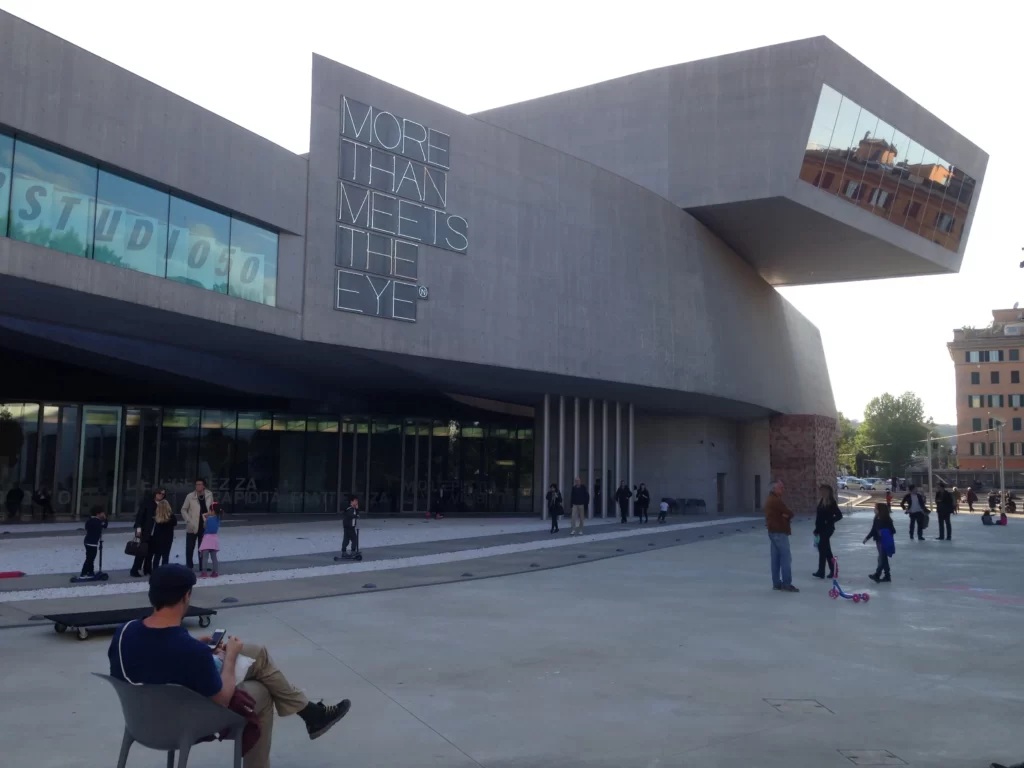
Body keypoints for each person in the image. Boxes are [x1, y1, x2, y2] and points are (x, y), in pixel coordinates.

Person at [108, 565, 350, 768]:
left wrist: (197, 647)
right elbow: (223, 699)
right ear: (186, 597)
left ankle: (310, 713)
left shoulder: (124, 632)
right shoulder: (190, 652)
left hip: (141, 720)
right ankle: (309, 715)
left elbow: (158, 654)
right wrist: (231, 656)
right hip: (184, 724)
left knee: (257, 653)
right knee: (261, 692)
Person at [764, 479, 798, 592]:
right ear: (774, 488)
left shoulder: (771, 499)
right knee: (785, 558)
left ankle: (776, 583)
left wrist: (784, 515)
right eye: (781, 487)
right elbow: (789, 513)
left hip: (773, 531)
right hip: (779, 532)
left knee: (776, 558)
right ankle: (787, 583)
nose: (783, 489)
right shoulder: (776, 501)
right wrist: (785, 515)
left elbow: (784, 514)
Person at [181, 478, 214, 570]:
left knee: (203, 547)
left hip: (204, 524)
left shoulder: (209, 494)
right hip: (193, 524)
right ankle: (189, 566)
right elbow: (183, 509)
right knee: (189, 547)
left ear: (204, 486)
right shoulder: (190, 496)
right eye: (196, 484)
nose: (198, 486)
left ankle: (202, 566)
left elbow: (211, 507)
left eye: (200, 484)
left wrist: (211, 517)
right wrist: (188, 520)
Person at [812, 484, 843, 579]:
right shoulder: (822, 501)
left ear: (826, 492)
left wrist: (830, 521)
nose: (820, 492)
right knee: (827, 550)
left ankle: (821, 571)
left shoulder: (831, 503)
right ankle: (832, 570)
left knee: (822, 550)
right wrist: (816, 529)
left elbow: (839, 515)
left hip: (827, 529)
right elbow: (819, 517)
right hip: (821, 529)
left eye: (822, 491)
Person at [863, 502, 896, 583]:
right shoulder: (877, 518)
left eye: (875, 508)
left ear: (880, 510)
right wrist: (867, 538)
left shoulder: (886, 519)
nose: (874, 509)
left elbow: (893, 530)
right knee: (883, 558)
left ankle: (878, 574)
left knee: (881, 558)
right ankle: (887, 576)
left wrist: (884, 531)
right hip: (879, 540)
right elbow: (873, 530)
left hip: (884, 541)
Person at [130, 489, 159, 577]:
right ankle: (135, 569)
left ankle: (147, 568)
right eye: (159, 493)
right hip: (145, 531)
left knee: (150, 552)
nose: (161, 495)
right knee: (141, 551)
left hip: (154, 531)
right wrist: (138, 529)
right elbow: (140, 517)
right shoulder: (147, 504)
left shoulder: (161, 504)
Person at [150, 489, 177, 569]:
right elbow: (175, 523)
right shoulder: (171, 517)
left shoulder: (157, 518)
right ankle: (164, 571)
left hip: (157, 538)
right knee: (165, 556)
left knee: (157, 555)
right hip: (168, 538)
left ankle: (155, 571)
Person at [81, 505, 107, 577]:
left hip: (88, 541)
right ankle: (84, 573)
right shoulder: (97, 521)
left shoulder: (90, 520)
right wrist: (105, 519)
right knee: (90, 559)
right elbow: (104, 525)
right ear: (98, 514)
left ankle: (90, 572)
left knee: (90, 558)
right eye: (102, 513)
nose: (103, 514)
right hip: (92, 543)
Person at [198, 501, 222, 578]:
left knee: (205, 557)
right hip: (214, 538)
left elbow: (205, 526)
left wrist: (205, 519)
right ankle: (215, 572)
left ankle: (204, 572)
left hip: (207, 538)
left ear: (212, 511)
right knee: (214, 557)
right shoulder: (218, 519)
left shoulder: (208, 519)